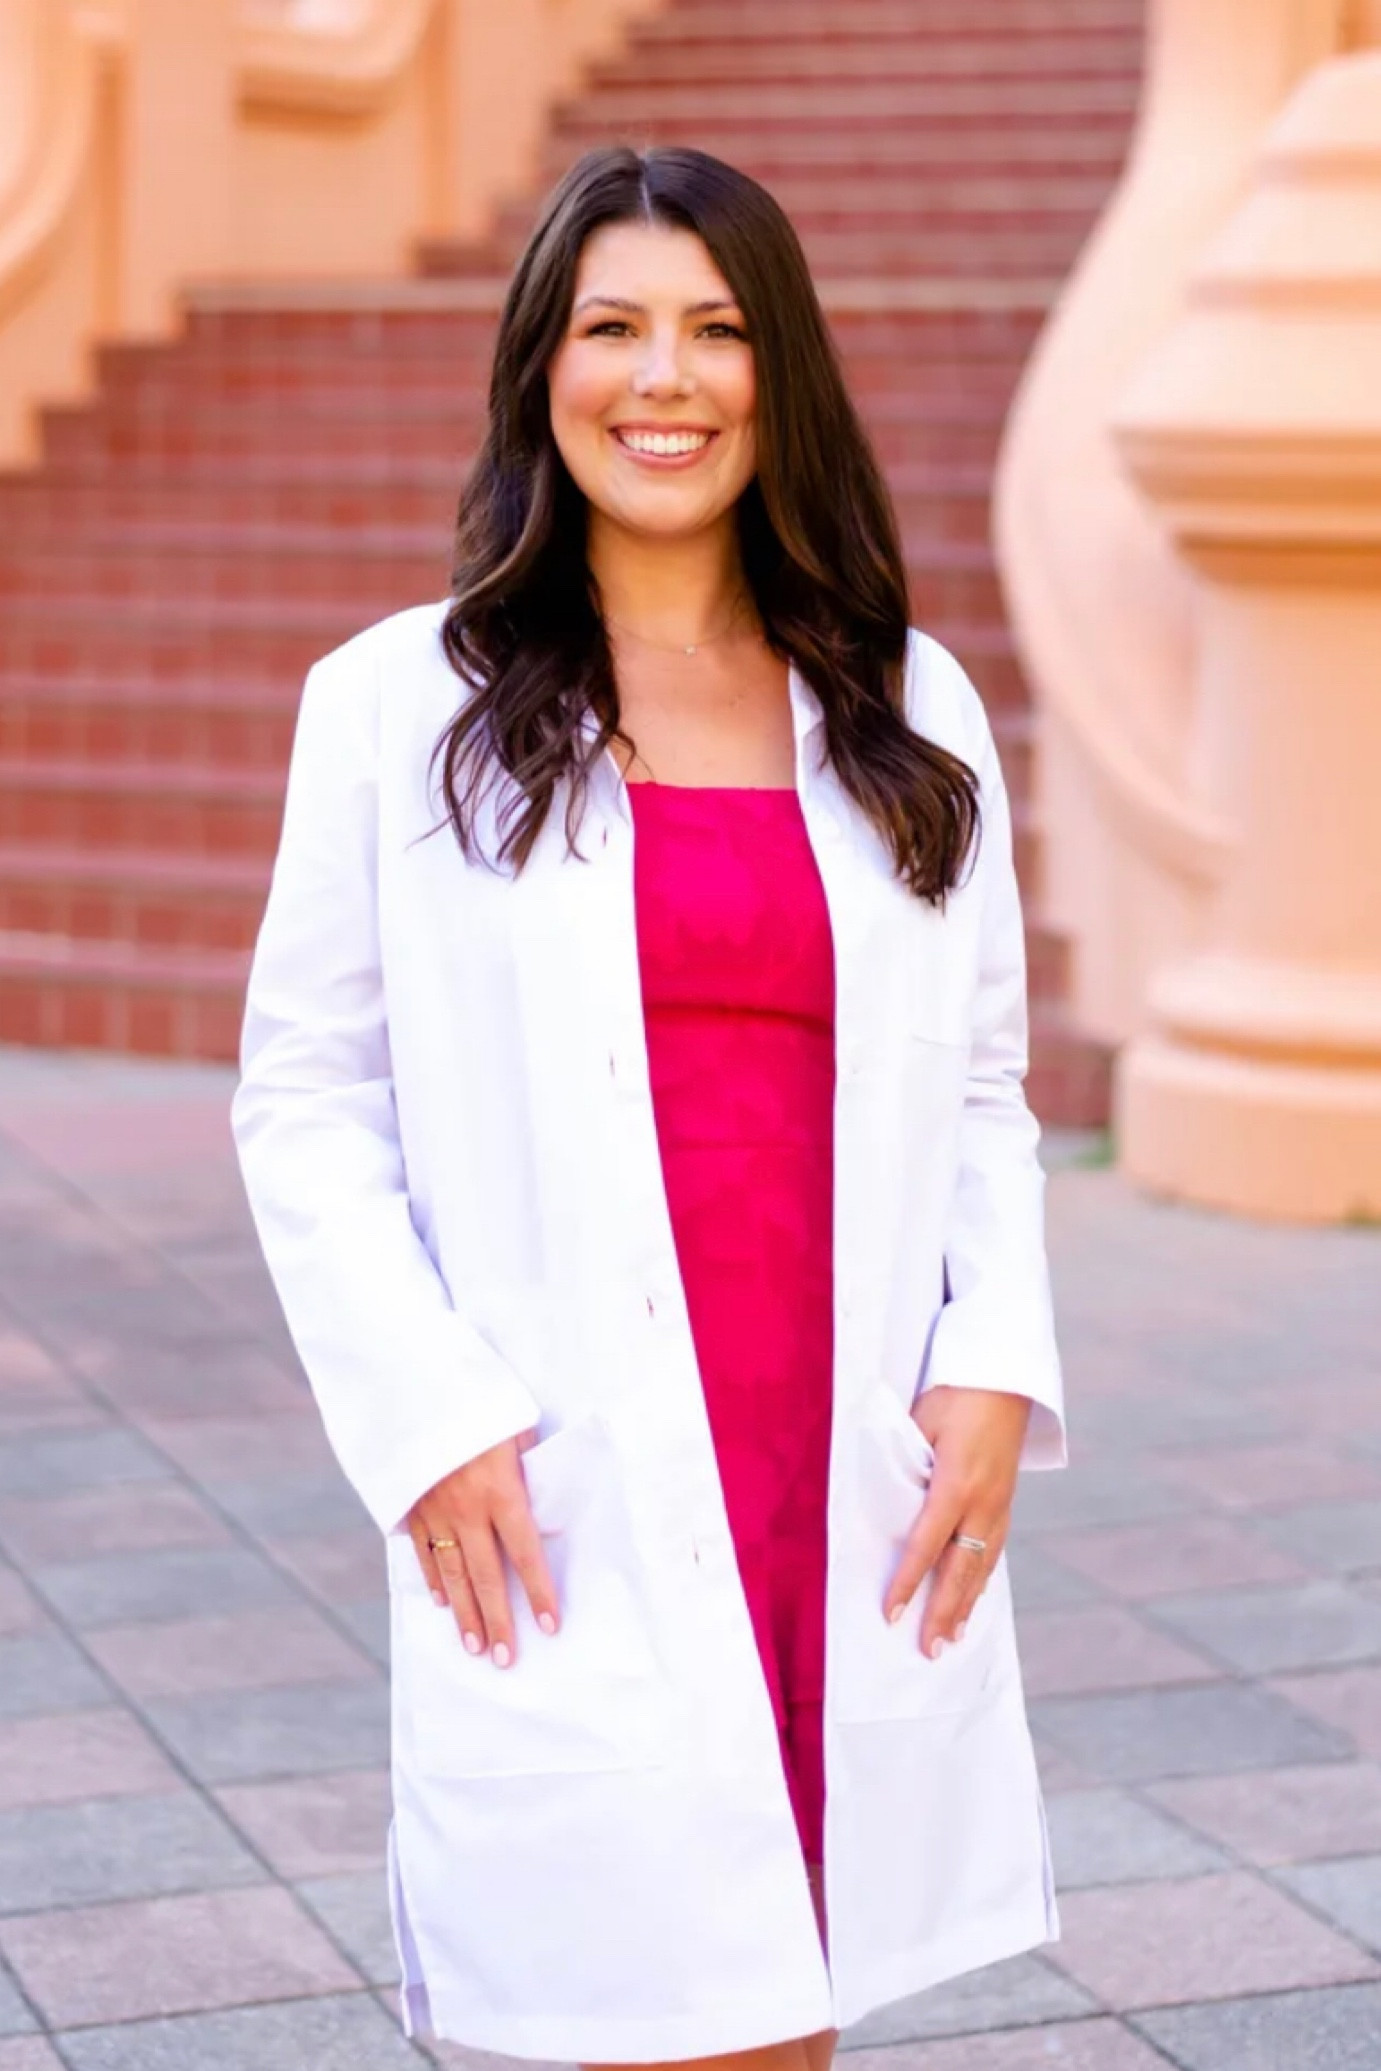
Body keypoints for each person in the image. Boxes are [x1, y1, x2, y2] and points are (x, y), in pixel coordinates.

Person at [230, 143, 1066, 2071]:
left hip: (829, 1434)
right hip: (564, 1459)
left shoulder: (907, 708)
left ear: (782, 373)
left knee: (792, 1999)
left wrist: (991, 1363)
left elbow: (989, 1086)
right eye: (611, 328)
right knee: (643, 2000)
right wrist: (431, 1423)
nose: (661, 379)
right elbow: (306, 1098)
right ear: (542, 369)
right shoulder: (394, 709)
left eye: (713, 331)